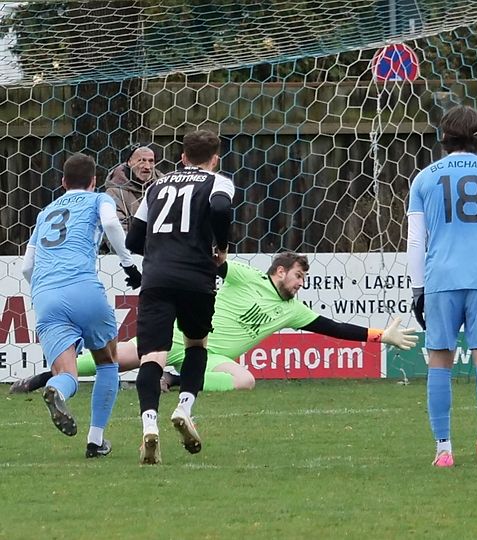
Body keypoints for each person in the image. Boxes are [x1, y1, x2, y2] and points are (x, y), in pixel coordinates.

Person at [9, 253, 418, 393]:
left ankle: (171, 380)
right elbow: (214, 261)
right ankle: (45, 377)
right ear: (279, 271)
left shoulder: (293, 310)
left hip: (212, 356)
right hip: (181, 337)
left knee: (245, 380)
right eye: (297, 276)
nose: (300, 284)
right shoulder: (245, 276)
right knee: (113, 358)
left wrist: (381, 335)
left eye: (303, 279)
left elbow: (334, 328)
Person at [406, 105, 477, 468]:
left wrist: (417, 289)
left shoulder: (424, 179)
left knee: (439, 361)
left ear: (444, 137)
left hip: (441, 279)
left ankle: (443, 449)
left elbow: (415, 240)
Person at [21, 153, 142, 458]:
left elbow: (26, 267)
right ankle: (95, 440)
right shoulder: (99, 199)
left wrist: (44, 290)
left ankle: (58, 389)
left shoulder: (45, 212)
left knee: (66, 372)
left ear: (63, 182)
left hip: (45, 295)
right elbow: (111, 222)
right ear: (94, 181)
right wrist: (128, 264)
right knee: (108, 361)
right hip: (83, 287)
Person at [126, 129, 235, 464]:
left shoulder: (156, 186)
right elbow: (220, 208)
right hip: (196, 277)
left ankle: (149, 425)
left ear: (183, 157)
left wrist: (160, 252)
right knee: (196, 345)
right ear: (215, 159)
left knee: (152, 356)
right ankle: (185, 408)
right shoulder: (218, 181)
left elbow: (133, 240)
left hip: (157, 278)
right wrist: (222, 247)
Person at [105, 144, 161, 232]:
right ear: (129, 162)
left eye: (151, 161)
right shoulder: (115, 192)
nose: (147, 167)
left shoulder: (163, 187)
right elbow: (117, 230)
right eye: (141, 161)